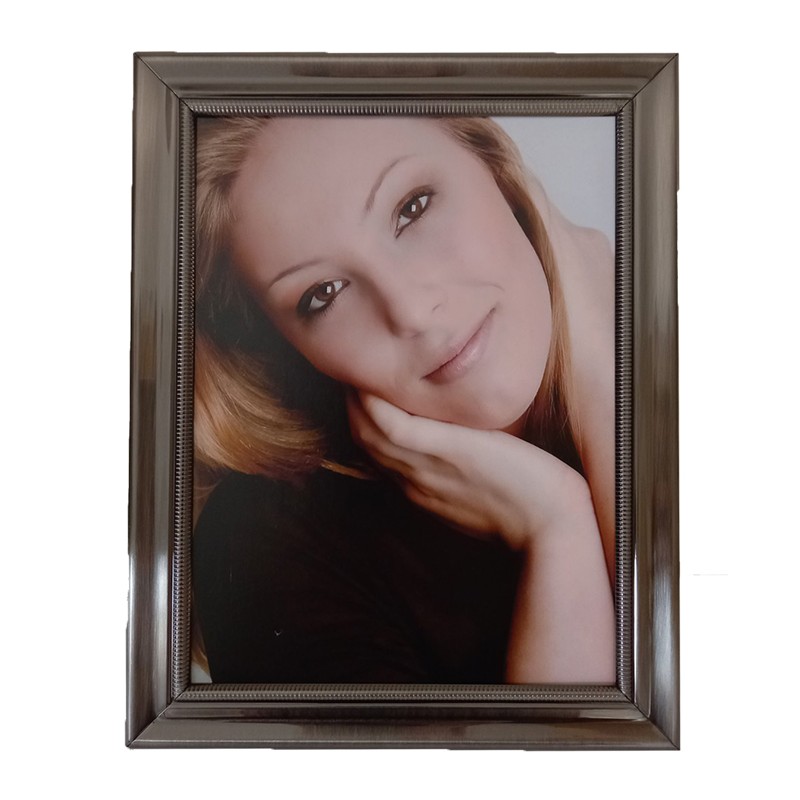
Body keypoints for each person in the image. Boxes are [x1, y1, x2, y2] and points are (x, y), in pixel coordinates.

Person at [192, 115, 616, 684]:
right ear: (283, 347)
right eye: (324, 294)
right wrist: (558, 527)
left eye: (412, 208)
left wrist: (602, 379)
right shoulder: (265, 545)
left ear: (494, 166)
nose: (411, 312)